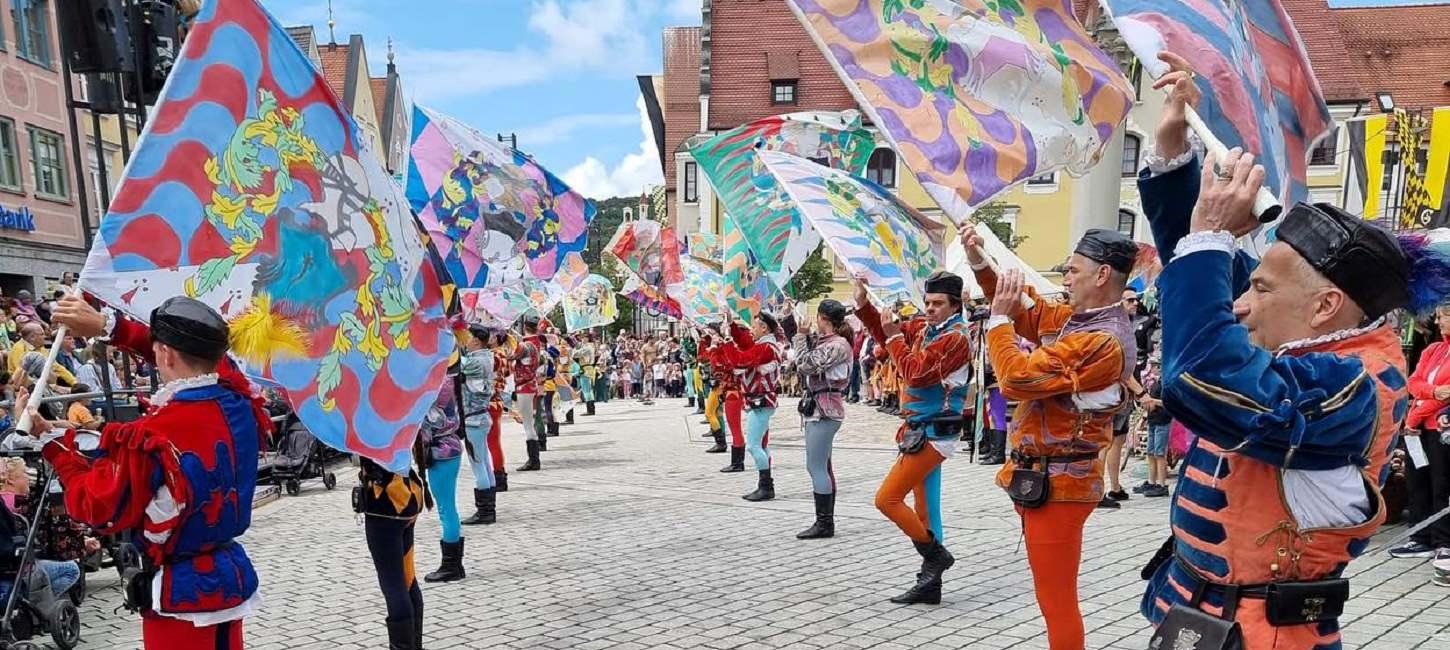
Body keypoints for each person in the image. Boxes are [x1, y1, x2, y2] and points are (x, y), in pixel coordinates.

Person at [1136, 53, 1419, 649]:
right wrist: (1173, 149)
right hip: (1204, 617)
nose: (1242, 303)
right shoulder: (1307, 333)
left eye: (1261, 288)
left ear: (1324, 307)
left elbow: (1200, 373)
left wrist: (1210, 235)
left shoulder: (1355, 383)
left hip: (1264, 635)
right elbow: (1203, 286)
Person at [31, 294, 264, 649]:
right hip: (228, 575)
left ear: (166, 354)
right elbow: (219, 366)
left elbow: (96, 505)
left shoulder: (154, 434)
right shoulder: (240, 401)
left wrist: (54, 446)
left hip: (179, 591)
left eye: (158, 350)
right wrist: (108, 326)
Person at [968, 225, 1137, 649]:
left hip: (1060, 484)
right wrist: (979, 261)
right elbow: (1029, 311)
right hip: (1049, 480)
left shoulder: (1102, 339)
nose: (1065, 276)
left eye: (1073, 270)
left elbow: (1017, 378)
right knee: (1054, 598)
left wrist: (999, 322)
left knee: (1056, 600)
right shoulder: (1082, 322)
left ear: (1101, 275)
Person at [855, 272, 973, 605]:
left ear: (955, 304)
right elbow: (886, 332)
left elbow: (916, 373)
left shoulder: (957, 338)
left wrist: (893, 336)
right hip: (918, 430)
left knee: (887, 499)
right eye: (927, 303)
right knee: (926, 511)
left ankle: (936, 557)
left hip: (935, 433)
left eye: (938, 304)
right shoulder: (926, 328)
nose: (930, 309)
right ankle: (931, 583)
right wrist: (864, 303)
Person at [792, 299, 854, 539]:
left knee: (816, 466)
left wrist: (800, 337)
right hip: (819, 407)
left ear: (822, 318)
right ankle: (824, 521)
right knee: (822, 466)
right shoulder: (829, 342)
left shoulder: (838, 345)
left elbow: (805, 364)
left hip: (825, 408)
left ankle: (824, 522)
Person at [1396, 304, 1450, 562]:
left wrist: (1417, 412)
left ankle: (1444, 541)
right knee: (1417, 482)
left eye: (1444, 316)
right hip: (1417, 430)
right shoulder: (1433, 349)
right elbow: (1413, 382)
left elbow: (1447, 395)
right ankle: (1420, 537)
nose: (1439, 322)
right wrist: (1431, 391)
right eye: (1438, 316)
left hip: (1438, 430)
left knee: (1442, 485)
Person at [721, 311, 787, 501]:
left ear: (764, 327)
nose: (751, 330)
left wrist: (726, 340)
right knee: (761, 445)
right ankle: (765, 484)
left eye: (755, 326)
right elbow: (744, 343)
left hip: (761, 400)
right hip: (760, 400)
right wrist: (732, 325)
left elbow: (740, 359)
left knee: (753, 445)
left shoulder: (766, 347)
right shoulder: (766, 345)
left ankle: (766, 485)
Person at [422, 378, 467, 583]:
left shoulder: (434, 385)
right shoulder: (446, 381)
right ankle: (454, 563)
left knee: (446, 509)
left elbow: (431, 422)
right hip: (450, 447)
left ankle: (451, 565)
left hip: (441, 451)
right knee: (448, 507)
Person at [513, 316, 545, 471]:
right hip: (531, 384)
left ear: (525, 326)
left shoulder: (525, 345)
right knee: (529, 421)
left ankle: (533, 459)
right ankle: (534, 457)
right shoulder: (536, 343)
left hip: (523, 385)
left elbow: (510, 356)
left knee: (527, 424)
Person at [7, 322, 76, 386]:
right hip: (24, 387)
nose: (45, 336)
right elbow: (21, 376)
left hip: (44, 384)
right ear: (32, 337)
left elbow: (57, 367)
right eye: (42, 334)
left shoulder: (41, 348)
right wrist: (54, 387)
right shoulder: (19, 348)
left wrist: (74, 383)